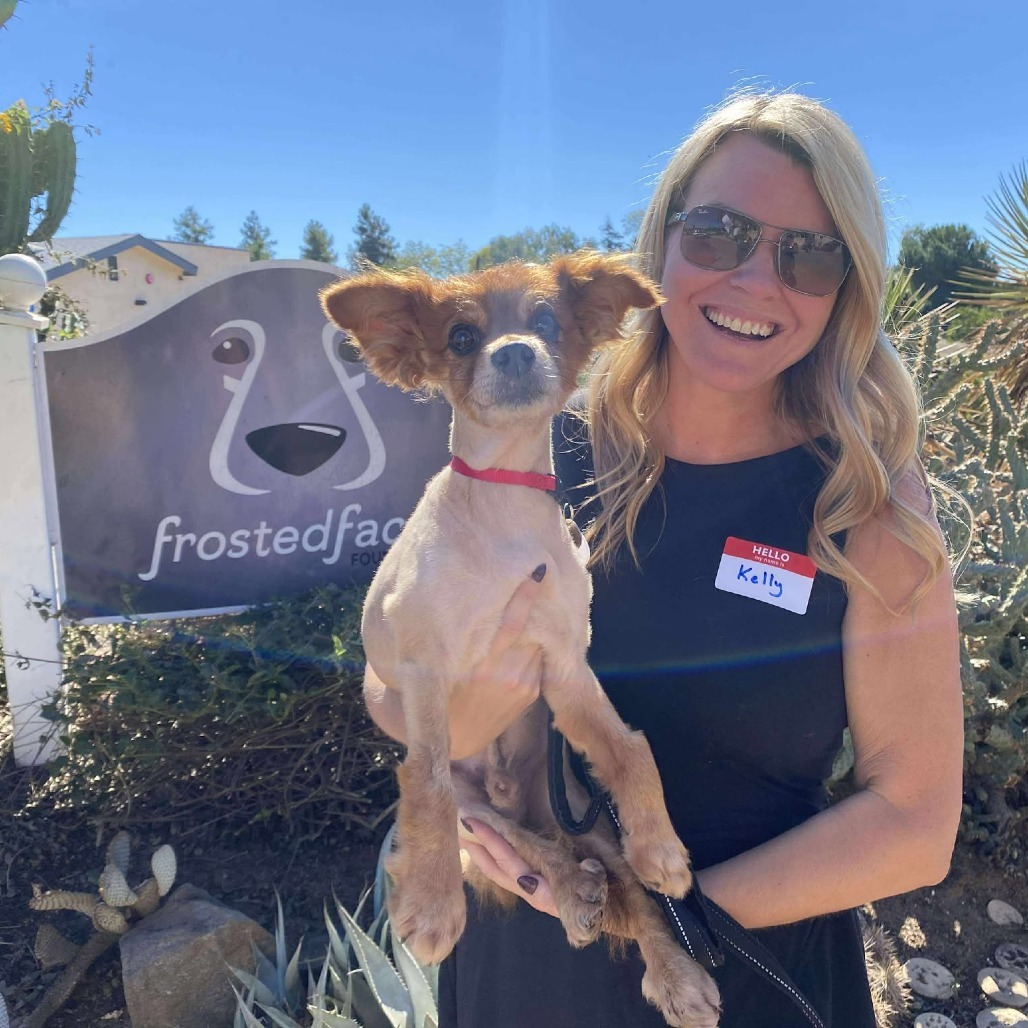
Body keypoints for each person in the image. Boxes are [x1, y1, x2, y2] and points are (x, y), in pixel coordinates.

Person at [363, 89, 965, 1027]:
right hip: (522, 968)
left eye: (809, 255)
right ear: (664, 243)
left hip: (743, 975)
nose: (757, 281)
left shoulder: (864, 502)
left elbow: (914, 823)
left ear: (846, 288)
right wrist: (462, 789)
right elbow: (391, 679)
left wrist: (659, 923)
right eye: (720, 234)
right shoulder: (537, 454)